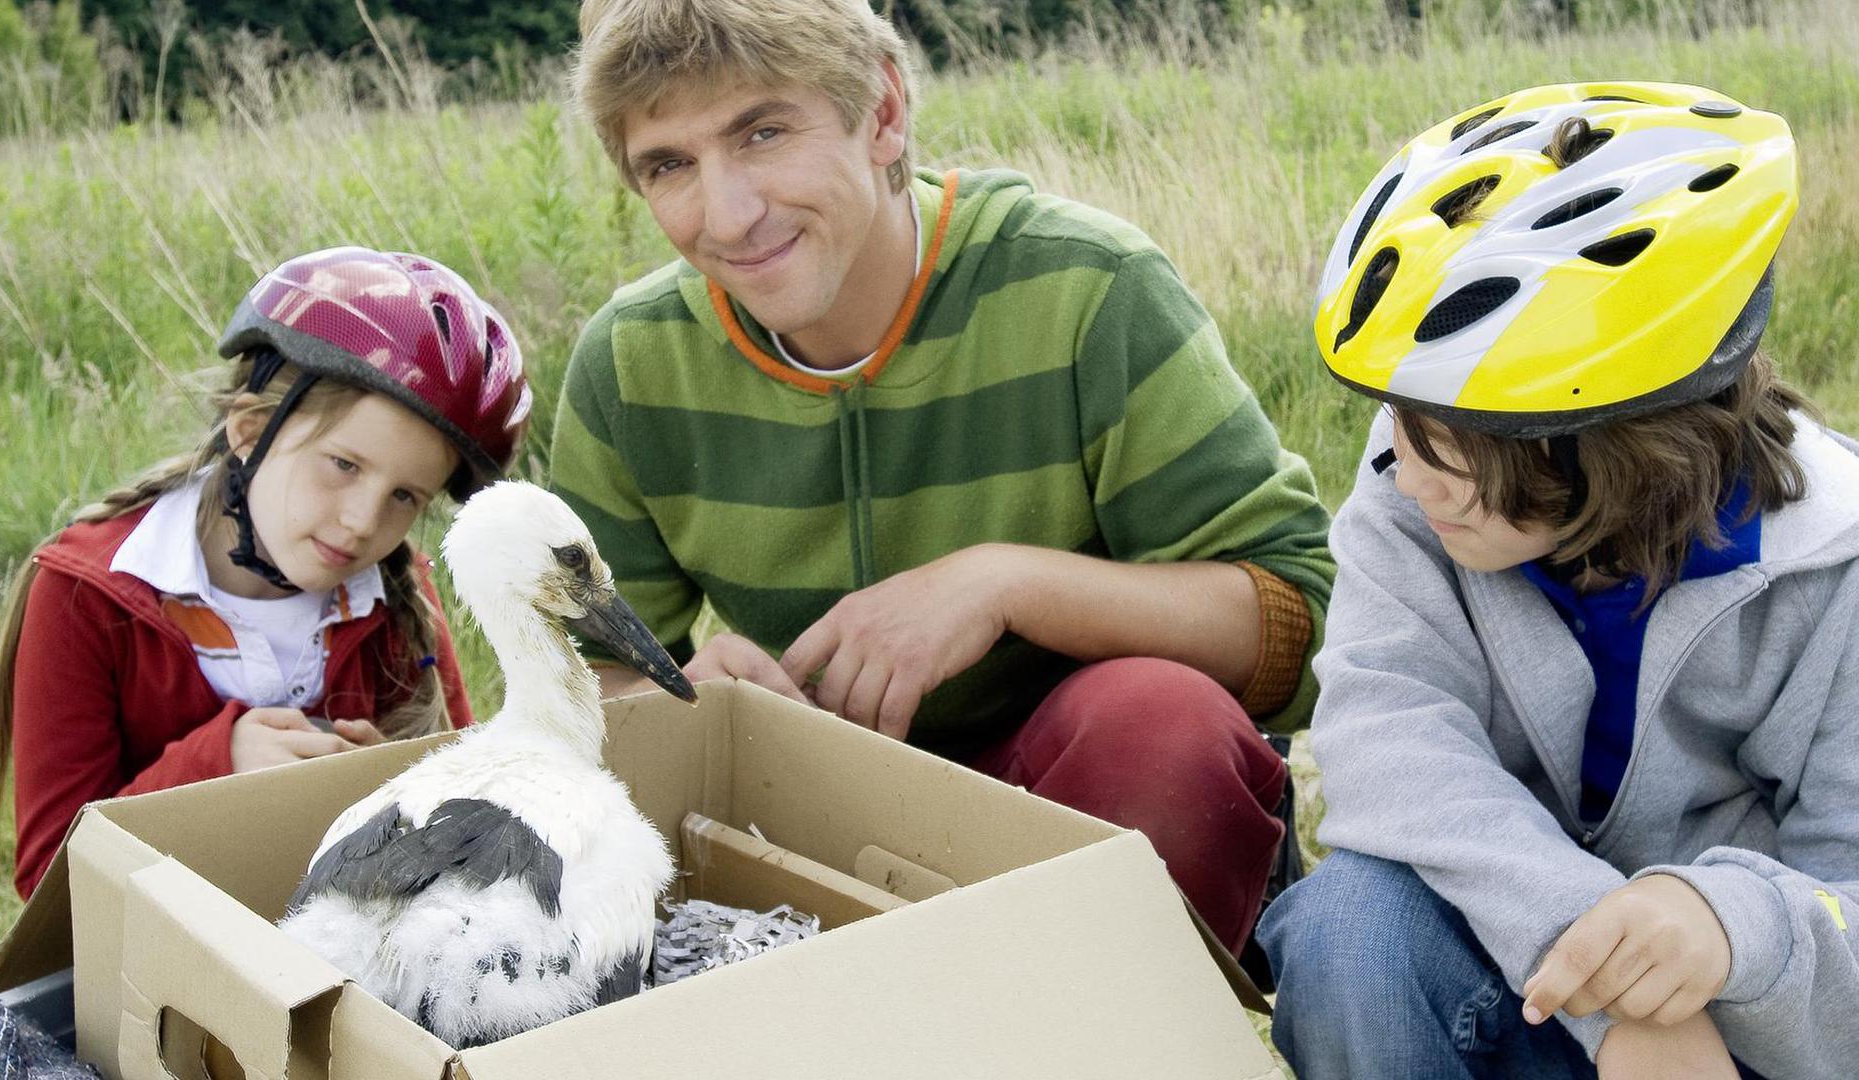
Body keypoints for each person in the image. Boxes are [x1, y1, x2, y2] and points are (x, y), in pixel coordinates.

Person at [553, 0, 1335, 958]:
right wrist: (690, 704)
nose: (728, 215)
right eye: (669, 165)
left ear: (883, 113)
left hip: (1074, 809)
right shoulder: (629, 366)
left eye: (763, 132)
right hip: (813, 823)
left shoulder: (1088, 289)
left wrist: (1004, 585)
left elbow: (1300, 620)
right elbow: (575, 684)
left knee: (1161, 724)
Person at [1257, 82, 1858, 1079]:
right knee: (1348, 927)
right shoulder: (1413, 487)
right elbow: (1385, 740)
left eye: (1455, 441)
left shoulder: (1836, 566)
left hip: (1744, 1034)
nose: (1408, 473)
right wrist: (1606, 989)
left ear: (1630, 434)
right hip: (1519, 976)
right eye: (1401, 418)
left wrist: (1728, 927)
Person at [0, 247, 533, 899]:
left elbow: (461, 841)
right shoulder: (85, 595)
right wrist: (217, 769)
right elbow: (50, 882)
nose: (361, 522)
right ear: (249, 430)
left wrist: (385, 792)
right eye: (343, 465)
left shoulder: (399, 597)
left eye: (405, 496)